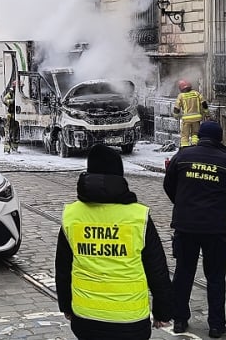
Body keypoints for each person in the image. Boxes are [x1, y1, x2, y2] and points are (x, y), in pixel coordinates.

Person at [56, 145, 172, 339]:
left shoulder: (72, 215)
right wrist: (163, 312)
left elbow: (63, 268)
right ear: (120, 176)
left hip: (86, 319)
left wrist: (66, 306)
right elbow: (157, 270)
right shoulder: (138, 217)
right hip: (131, 321)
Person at [163, 120, 226, 338]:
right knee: (216, 277)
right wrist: (220, 209)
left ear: (199, 136)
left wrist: (182, 204)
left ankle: (179, 320)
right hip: (215, 229)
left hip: (185, 226)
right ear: (220, 138)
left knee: (183, 274)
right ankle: (216, 325)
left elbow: (169, 185)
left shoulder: (182, 156)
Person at [172, 79, 207, 148]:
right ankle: (195, 146)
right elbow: (204, 103)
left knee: (185, 135)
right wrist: (206, 112)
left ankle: (184, 147)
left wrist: (175, 115)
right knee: (195, 134)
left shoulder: (181, 96)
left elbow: (176, 107)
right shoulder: (196, 93)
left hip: (186, 120)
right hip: (196, 119)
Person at [3, 83, 19, 153]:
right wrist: (12, 101)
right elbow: (5, 100)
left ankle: (14, 148)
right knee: (8, 132)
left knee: (15, 133)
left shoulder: (19, 93)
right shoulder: (10, 93)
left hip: (16, 116)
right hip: (10, 116)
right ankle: (7, 149)